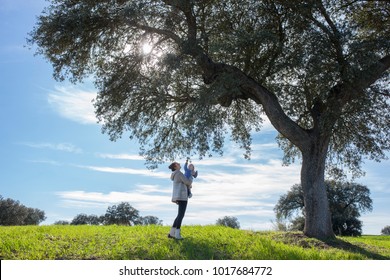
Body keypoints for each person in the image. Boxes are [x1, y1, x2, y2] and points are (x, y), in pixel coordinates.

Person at [168, 161, 192, 239]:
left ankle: (172, 233)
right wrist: (190, 180)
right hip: (182, 196)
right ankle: (177, 234)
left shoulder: (175, 174)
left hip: (178, 196)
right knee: (181, 215)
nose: (179, 164)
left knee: (179, 215)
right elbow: (187, 182)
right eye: (178, 164)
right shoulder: (179, 173)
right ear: (175, 166)